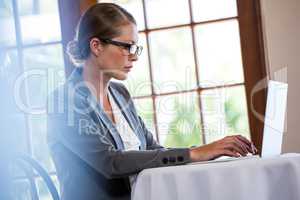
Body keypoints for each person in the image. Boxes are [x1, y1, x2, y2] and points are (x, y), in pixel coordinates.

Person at [47, 3, 257, 200]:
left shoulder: (120, 94)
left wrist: (205, 152)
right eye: (127, 46)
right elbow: (110, 162)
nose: (134, 56)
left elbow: (152, 149)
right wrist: (194, 154)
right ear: (96, 46)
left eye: (135, 48)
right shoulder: (64, 101)